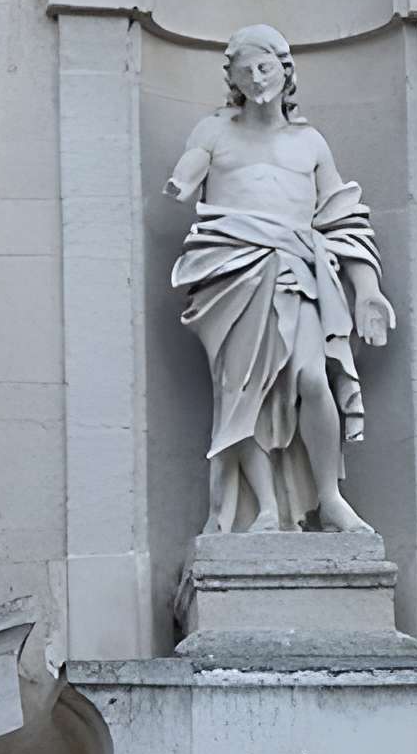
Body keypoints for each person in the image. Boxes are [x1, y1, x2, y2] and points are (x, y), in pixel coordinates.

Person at [164, 26, 395, 536]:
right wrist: (182, 178)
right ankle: (265, 508)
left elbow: (341, 215)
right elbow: (192, 166)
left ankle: (330, 499)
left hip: (297, 270)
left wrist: (367, 288)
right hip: (231, 271)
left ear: (285, 69)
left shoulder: (308, 142)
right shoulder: (215, 132)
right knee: (242, 393)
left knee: (313, 380)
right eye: (244, 70)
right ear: (232, 78)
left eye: (264, 66)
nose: (255, 77)